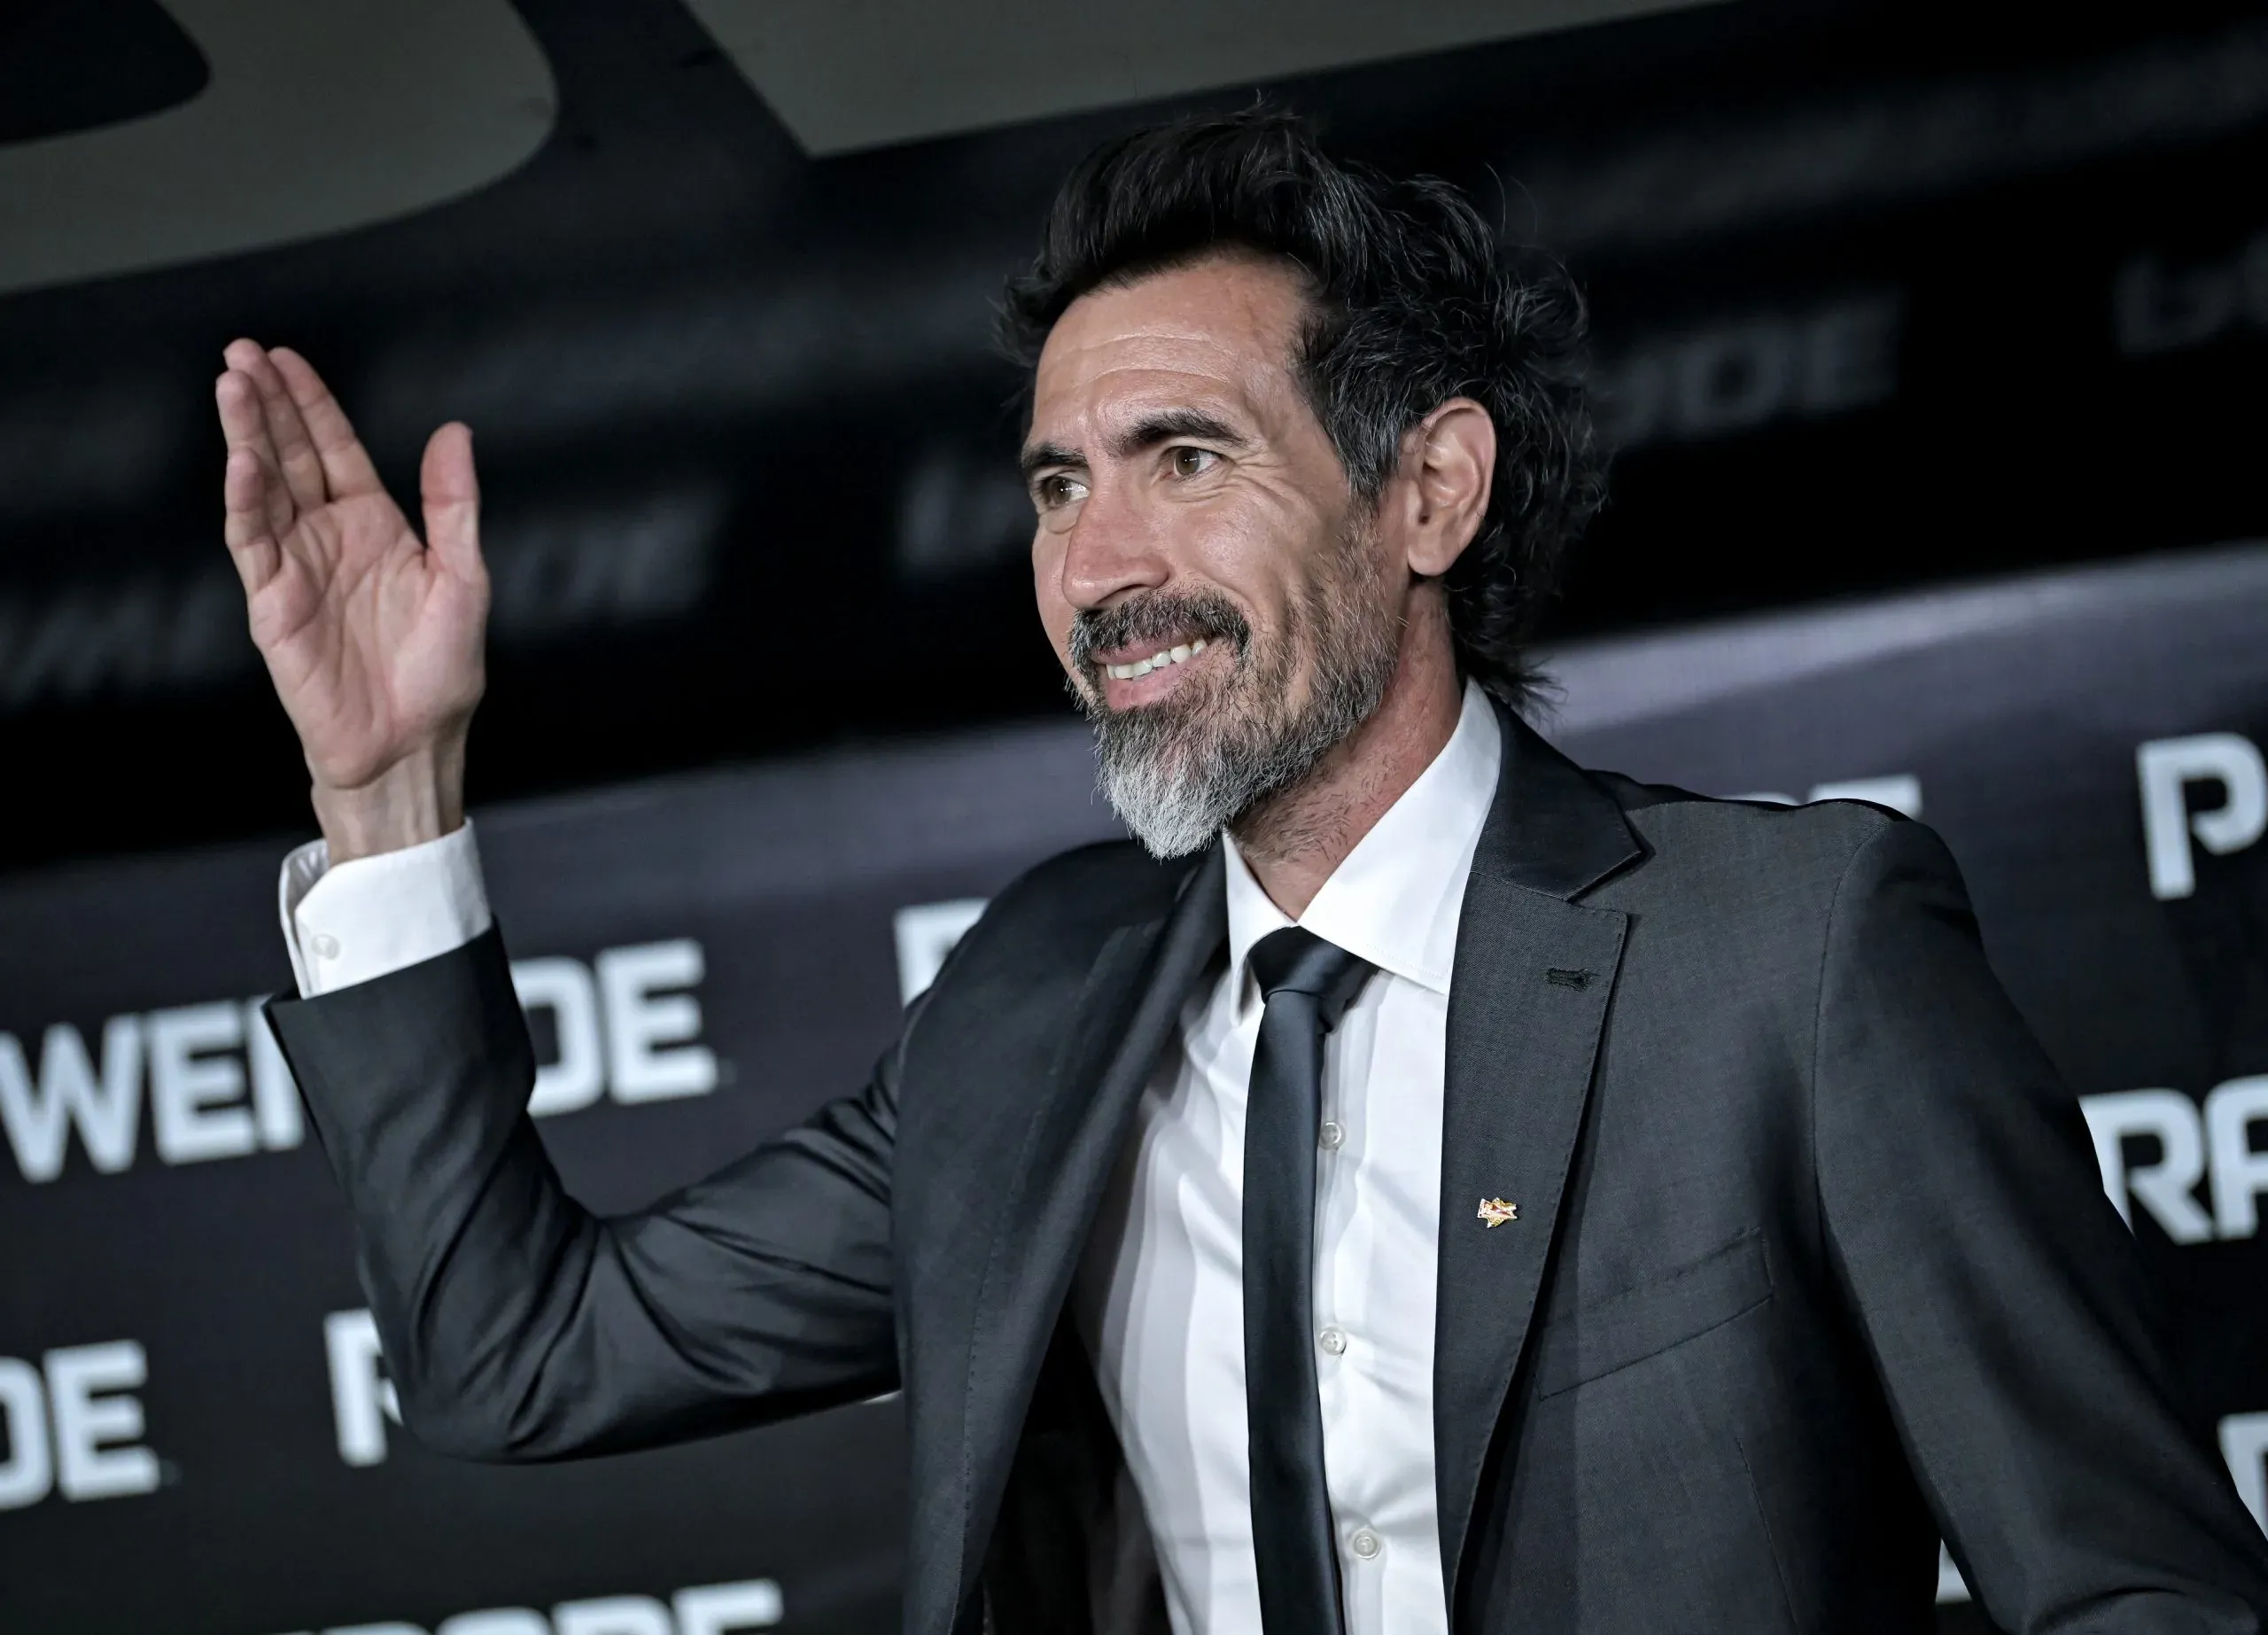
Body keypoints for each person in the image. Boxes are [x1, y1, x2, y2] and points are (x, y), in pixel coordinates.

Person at [214, 109, 2268, 1635]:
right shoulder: (1027, 1011)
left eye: (1185, 459)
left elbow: (2129, 1588)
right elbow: (520, 1354)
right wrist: (389, 788)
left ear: (1425, 489)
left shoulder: (1788, 954)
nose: (1101, 566)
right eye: (1057, 486)